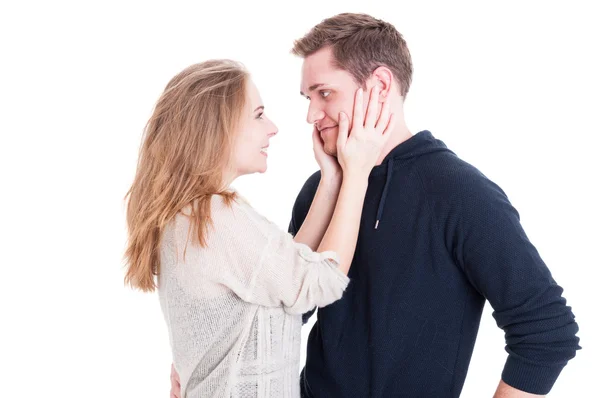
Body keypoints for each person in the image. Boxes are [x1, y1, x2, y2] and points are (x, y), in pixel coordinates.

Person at [168, 12, 580, 398]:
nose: (312, 114)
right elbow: (287, 308)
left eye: (324, 93)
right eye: (307, 97)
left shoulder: (459, 193)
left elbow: (548, 332)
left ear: (381, 86)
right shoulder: (319, 190)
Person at [124, 59, 395, 397]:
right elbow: (321, 281)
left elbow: (287, 273)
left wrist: (332, 180)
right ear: (216, 128)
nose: (272, 128)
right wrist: (358, 173)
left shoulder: (189, 215)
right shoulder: (214, 217)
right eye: (258, 115)